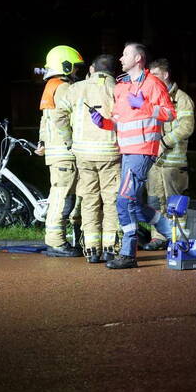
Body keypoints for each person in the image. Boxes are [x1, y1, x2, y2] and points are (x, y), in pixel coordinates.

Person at [88, 42, 175, 269]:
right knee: (133, 203)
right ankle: (172, 232)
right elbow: (118, 121)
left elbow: (169, 114)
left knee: (124, 201)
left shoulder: (153, 84)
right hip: (127, 152)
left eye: (125, 54)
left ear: (138, 58)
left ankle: (128, 254)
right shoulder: (122, 87)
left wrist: (145, 106)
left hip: (143, 151)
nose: (120, 59)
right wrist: (104, 122)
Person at [56, 54, 121, 263]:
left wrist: (68, 140)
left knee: (90, 200)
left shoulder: (76, 89)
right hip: (112, 153)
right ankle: (111, 248)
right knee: (111, 201)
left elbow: (58, 116)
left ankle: (92, 249)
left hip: (83, 154)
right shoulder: (119, 89)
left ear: (92, 69)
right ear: (113, 72)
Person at [144, 58, 196, 249]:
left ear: (165, 75)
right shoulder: (151, 97)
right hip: (154, 163)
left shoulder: (182, 99)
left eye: (155, 74)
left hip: (173, 163)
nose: (151, 79)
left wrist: (164, 142)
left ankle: (179, 239)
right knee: (155, 202)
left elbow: (187, 127)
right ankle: (158, 237)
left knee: (175, 204)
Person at [36, 45, 83, 257]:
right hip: (65, 152)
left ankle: (59, 239)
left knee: (61, 195)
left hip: (56, 151)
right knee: (62, 197)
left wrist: (42, 142)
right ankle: (56, 242)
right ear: (65, 66)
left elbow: (44, 120)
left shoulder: (51, 86)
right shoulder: (63, 87)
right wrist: (72, 141)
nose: (76, 72)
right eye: (74, 68)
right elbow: (60, 118)